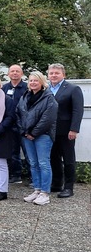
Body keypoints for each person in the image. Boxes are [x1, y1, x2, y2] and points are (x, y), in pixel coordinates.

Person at [17, 72, 58, 206]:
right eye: (31, 81)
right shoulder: (25, 96)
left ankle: (45, 193)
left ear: (42, 82)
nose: (33, 83)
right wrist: (24, 131)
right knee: (33, 163)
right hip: (27, 135)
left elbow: (48, 118)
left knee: (43, 163)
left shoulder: (48, 97)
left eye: (36, 81)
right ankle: (37, 190)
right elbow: (18, 114)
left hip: (43, 136)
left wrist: (34, 133)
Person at [47, 63, 83, 198]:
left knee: (68, 159)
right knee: (53, 158)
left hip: (66, 131)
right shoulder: (46, 89)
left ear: (63, 74)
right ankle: (56, 184)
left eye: (57, 73)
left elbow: (77, 110)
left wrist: (74, 129)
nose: (54, 75)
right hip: (49, 131)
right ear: (48, 75)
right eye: (51, 73)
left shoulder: (73, 89)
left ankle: (69, 187)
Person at [2, 64, 28, 184]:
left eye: (17, 71)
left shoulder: (27, 87)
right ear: (8, 74)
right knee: (13, 152)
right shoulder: (4, 88)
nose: (15, 73)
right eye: (12, 71)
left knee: (28, 152)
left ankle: (32, 177)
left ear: (21, 73)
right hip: (10, 125)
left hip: (24, 125)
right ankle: (16, 175)